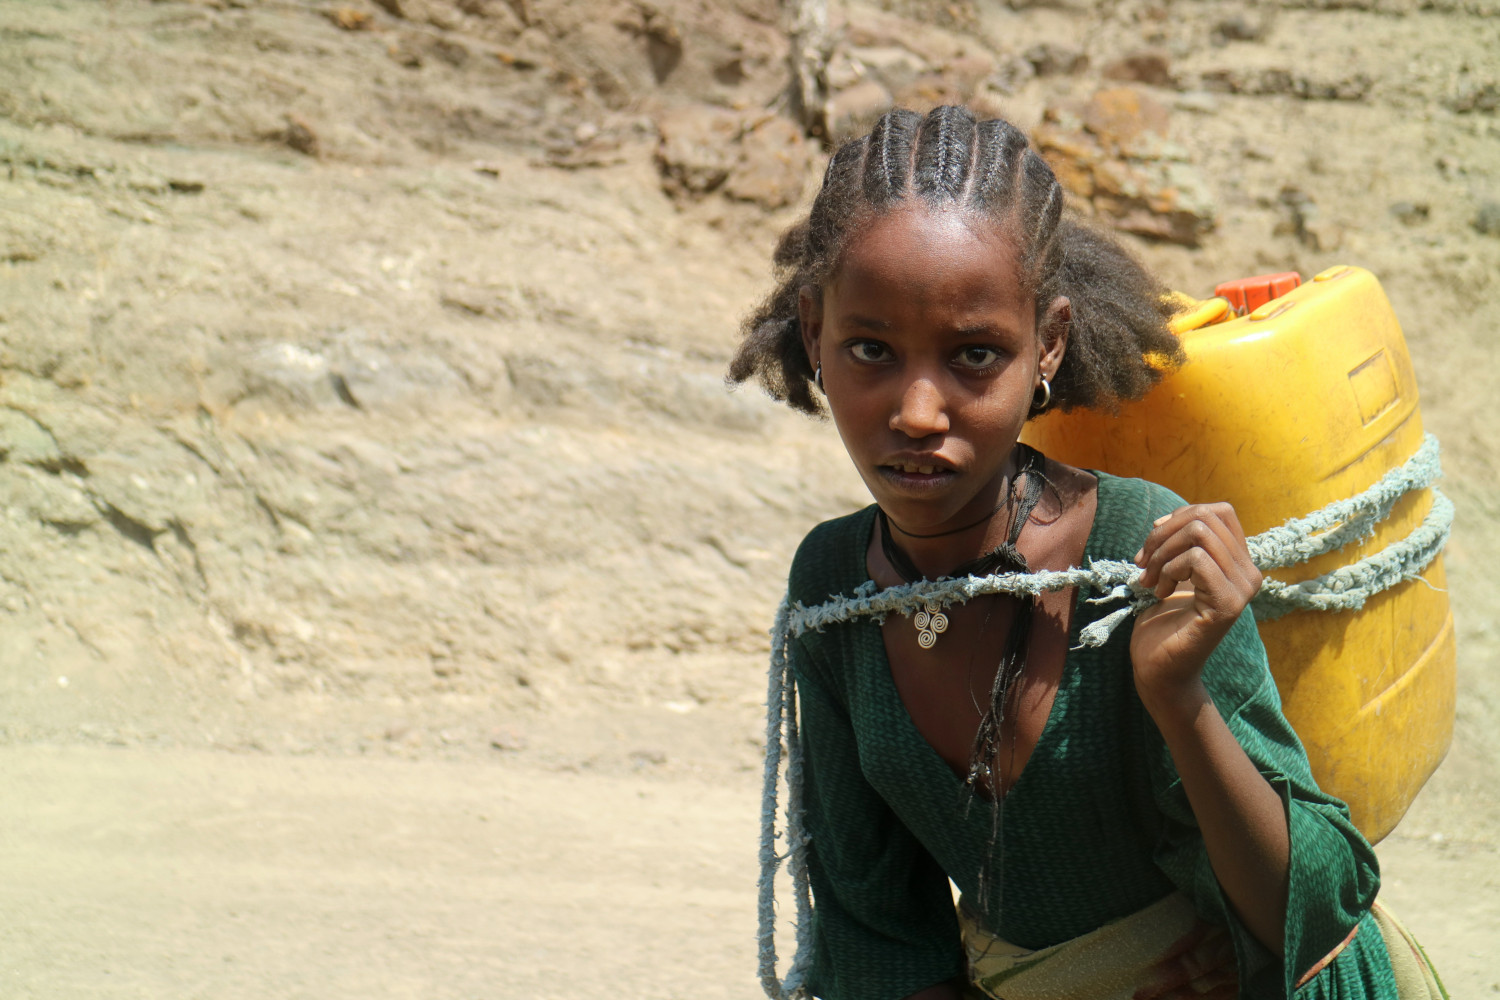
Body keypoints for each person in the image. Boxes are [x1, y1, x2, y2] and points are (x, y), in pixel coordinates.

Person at [728, 105, 1407, 1000]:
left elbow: (1312, 915)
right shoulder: (832, 588)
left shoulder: (1140, 551)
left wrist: (1179, 698)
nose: (918, 413)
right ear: (814, 331)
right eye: (870, 350)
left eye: (975, 355)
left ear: (1047, 344)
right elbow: (880, 938)